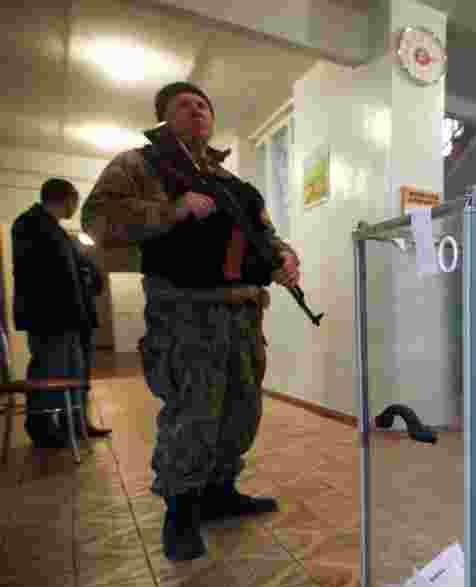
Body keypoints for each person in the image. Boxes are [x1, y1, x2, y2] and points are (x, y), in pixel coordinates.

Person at [81, 82, 301, 562]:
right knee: (192, 413)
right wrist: (171, 210)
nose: (196, 110)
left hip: (243, 313)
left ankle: (220, 493)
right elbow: (97, 219)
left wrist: (285, 258)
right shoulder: (139, 165)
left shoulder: (231, 183)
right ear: (163, 118)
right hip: (185, 312)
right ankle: (181, 510)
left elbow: (268, 236)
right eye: (184, 104)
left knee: (241, 411)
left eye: (203, 104)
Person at [11, 178, 101, 447]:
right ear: (68, 198)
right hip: (49, 319)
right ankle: (43, 429)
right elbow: (36, 274)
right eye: (75, 201)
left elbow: (81, 272)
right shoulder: (29, 224)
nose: (76, 207)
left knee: (72, 375)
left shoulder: (58, 232)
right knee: (49, 374)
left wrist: (87, 274)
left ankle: (73, 424)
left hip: (71, 319)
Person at [74, 245, 113, 437]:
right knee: (73, 374)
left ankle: (82, 423)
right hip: (68, 323)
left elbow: (98, 286)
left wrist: (90, 266)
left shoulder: (85, 262)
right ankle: (74, 424)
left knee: (83, 375)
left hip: (85, 321)